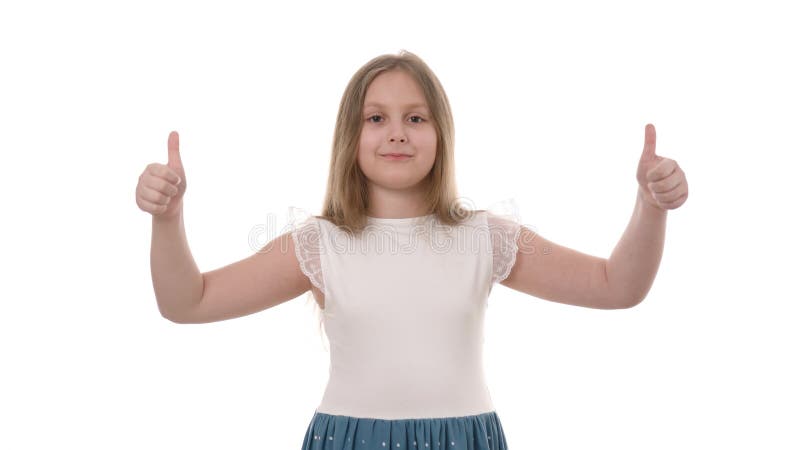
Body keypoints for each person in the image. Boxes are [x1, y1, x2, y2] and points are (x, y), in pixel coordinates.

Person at [135, 49, 688, 449]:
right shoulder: (319, 244)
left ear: (441, 134)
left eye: (415, 118)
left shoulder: (486, 237)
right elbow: (188, 303)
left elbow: (618, 286)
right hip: (349, 439)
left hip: (464, 439)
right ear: (351, 140)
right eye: (376, 118)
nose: (396, 133)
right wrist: (169, 218)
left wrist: (650, 205)